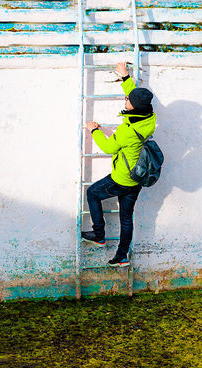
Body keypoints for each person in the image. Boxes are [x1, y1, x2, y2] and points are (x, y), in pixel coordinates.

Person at [83, 61, 156, 267]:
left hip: (122, 178)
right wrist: (125, 77)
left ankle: (99, 235)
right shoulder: (149, 117)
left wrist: (94, 130)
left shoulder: (127, 132)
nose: (126, 100)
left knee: (92, 193)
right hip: (136, 179)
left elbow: (108, 148)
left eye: (128, 101)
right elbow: (135, 97)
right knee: (126, 217)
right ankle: (122, 256)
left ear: (134, 107)